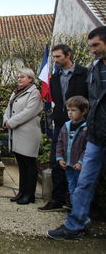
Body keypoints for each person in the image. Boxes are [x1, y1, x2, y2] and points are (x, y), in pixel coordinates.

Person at [47, 26, 106, 240]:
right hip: (95, 135)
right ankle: (75, 223)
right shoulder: (95, 68)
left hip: (89, 129)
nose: (93, 50)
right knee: (84, 180)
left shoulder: (84, 71)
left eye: (96, 45)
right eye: (91, 46)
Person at [39, 44, 88, 212]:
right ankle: (57, 199)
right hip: (61, 125)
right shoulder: (55, 77)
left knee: (80, 162)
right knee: (56, 162)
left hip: (82, 125)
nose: (55, 60)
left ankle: (77, 202)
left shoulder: (84, 74)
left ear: (68, 55)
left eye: (58, 56)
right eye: (53, 57)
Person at [3, 68, 43, 205]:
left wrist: (10, 123)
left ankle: (29, 195)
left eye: (22, 77)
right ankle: (21, 192)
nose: (19, 79)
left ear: (30, 79)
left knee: (29, 165)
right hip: (16, 134)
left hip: (28, 134)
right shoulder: (16, 92)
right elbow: (8, 109)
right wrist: (5, 119)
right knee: (21, 164)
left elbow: (29, 112)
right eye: (18, 77)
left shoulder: (34, 93)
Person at [55, 96, 89, 214]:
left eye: (73, 110)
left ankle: (79, 211)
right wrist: (60, 158)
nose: (70, 113)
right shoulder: (66, 125)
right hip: (68, 164)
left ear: (83, 111)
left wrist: (81, 162)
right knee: (71, 186)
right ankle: (74, 208)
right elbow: (59, 143)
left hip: (79, 166)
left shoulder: (86, 128)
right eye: (69, 110)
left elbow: (87, 148)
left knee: (81, 188)